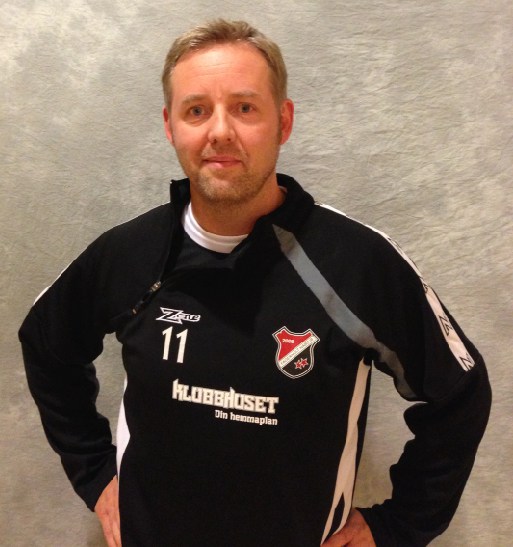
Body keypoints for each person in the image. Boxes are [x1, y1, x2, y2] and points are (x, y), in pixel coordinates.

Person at [19, 19, 491, 547]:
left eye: (245, 107)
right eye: (196, 110)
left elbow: (461, 392)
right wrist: (96, 476)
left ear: (283, 121)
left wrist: (397, 526)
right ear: (170, 126)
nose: (220, 131)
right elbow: (46, 344)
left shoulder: (357, 262)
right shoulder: (129, 254)